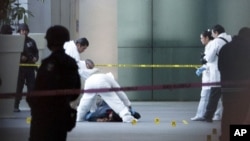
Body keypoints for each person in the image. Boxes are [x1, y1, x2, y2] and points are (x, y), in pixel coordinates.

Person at [26, 25, 81, 141]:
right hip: (61, 115)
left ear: (50, 41)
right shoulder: (71, 63)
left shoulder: (47, 63)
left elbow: (37, 91)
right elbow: (76, 91)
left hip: (42, 117)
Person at [218, 27, 250, 141]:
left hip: (227, 89)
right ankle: (237, 137)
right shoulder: (247, 48)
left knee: (227, 114)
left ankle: (225, 136)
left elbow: (220, 67)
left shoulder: (225, 48)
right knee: (240, 116)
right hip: (243, 90)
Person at [197, 24, 232, 122]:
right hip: (229, 73)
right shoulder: (230, 39)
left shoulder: (216, 42)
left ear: (216, 32)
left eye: (213, 33)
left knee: (214, 96)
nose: (212, 36)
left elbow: (209, 57)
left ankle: (208, 116)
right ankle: (223, 115)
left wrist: (204, 58)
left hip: (217, 73)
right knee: (226, 96)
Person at [14, 23, 39, 112]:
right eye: (22, 30)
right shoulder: (16, 41)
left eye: (25, 30)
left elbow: (36, 52)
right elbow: (13, 54)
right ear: (19, 31)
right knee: (19, 87)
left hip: (30, 67)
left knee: (32, 87)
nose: (24, 32)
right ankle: (16, 105)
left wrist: (36, 58)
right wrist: (20, 58)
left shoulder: (31, 41)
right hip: (20, 68)